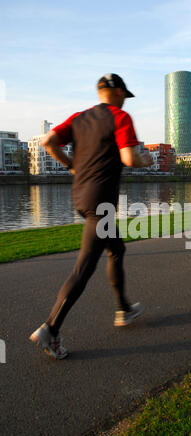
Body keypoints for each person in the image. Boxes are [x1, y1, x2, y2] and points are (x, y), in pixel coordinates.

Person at [30, 73, 153, 360]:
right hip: (101, 203)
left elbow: (48, 141)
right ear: (119, 92)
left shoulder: (79, 117)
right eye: (124, 94)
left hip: (82, 197)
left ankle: (123, 309)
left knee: (117, 250)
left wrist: (71, 165)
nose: (125, 99)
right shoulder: (120, 117)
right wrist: (145, 158)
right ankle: (50, 328)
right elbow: (129, 158)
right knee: (83, 269)